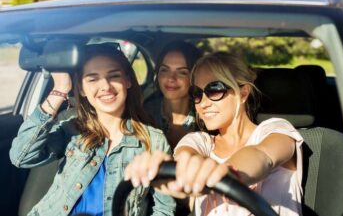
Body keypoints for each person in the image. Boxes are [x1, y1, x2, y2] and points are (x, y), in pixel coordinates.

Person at [125, 52, 304, 216]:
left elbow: (261, 156)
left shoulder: (275, 130)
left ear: (242, 93)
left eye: (215, 90)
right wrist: (170, 174)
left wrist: (223, 175)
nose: (203, 103)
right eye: (197, 93)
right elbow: (185, 159)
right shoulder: (198, 141)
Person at [9, 44, 175, 216]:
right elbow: (21, 156)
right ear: (81, 88)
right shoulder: (72, 128)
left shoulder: (153, 141)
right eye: (93, 79)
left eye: (114, 76)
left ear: (128, 81)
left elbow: (164, 208)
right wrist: (60, 89)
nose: (105, 86)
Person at [145, 41, 201, 149]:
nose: (171, 78)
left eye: (182, 72)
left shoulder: (206, 115)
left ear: (194, 77)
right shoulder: (144, 114)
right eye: (165, 70)